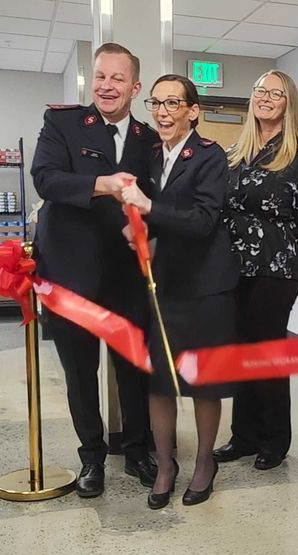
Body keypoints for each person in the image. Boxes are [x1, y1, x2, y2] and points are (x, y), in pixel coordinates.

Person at [31, 42, 158, 499]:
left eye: (117, 78)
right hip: (72, 272)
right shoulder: (62, 123)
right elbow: (45, 178)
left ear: (135, 86)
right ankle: (91, 458)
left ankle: (139, 450)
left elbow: (160, 197)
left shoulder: (148, 138)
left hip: (127, 274)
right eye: (100, 77)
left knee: (133, 369)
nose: (107, 86)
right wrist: (101, 185)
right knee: (81, 372)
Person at [121, 74, 236, 510]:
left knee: (203, 382)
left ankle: (205, 462)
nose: (163, 112)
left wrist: (149, 208)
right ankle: (166, 465)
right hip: (163, 284)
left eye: (174, 103)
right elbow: (146, 213)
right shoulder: (151, 156)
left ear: (193, 111)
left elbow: (203, 220)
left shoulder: (209, 157)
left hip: (206, 285)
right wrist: (137, 227)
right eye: (157, 103)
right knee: (160, 382)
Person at [212, 70, 298, 471]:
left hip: (274, 271)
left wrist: (288, 261)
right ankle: (243, 435)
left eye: (275, 93)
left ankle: (275, 439)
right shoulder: (233, 155)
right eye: (260, 91)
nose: (265, 98)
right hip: (232, 269)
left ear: (287, 103)